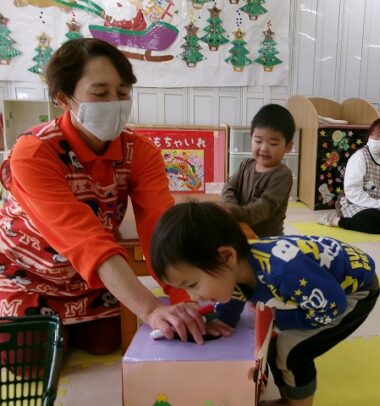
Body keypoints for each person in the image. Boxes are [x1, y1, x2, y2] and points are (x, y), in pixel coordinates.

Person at [0, 38, 229, 354]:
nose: (114, 103)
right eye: (100, 94)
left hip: (92, 282)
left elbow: (161, 228)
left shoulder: (140, 151)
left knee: (108, 342)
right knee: (28, 355)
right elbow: (86, 240)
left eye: (122, 93)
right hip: (28, 275)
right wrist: (151, 309)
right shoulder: (35, 153)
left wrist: (186, 300)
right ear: (63, 98)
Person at [150, 202, 380, 406]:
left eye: (193, 284)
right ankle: (288, 396)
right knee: (274, 343)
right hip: (319, 285)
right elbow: (234, 298)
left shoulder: (283, 272)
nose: (193, 296)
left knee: (292, 350)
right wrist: (220, 321)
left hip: (353, 291)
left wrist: (283, 318)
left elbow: (333, 305)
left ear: (227, 256)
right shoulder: (236, 269)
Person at [317, 117, 380, 234]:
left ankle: (370, 221)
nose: (373, 139)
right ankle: (335, 220)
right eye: (372, 134)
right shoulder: (360, 157)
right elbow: (353, 192)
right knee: (378, 223)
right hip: (355, 202)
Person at [222, 104, 295, 237]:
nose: (264, 148)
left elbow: (265, 207)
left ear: (288, 147)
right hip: (240, 229)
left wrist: (236, 212)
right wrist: (230, 205)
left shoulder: (282, 175)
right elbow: (229, 187)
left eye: (273, 143)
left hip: (267, 239)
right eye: (258, 141)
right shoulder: (246, 164)